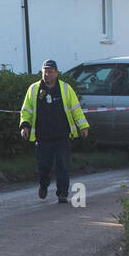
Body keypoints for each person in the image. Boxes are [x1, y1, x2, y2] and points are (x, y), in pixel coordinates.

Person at [18, 59, 89, 203]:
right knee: (43, 166)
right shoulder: (33, 89)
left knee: (62, 164)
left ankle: (62, 193)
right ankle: (43, 184)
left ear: (56, 73)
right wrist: (24, 126)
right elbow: (26, 110)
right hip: (42, 136)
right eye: (45, 72)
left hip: (62, 135)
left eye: (50, 72)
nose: (47, 75)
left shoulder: (65, 88)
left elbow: (76, 109)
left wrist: (83, 126)